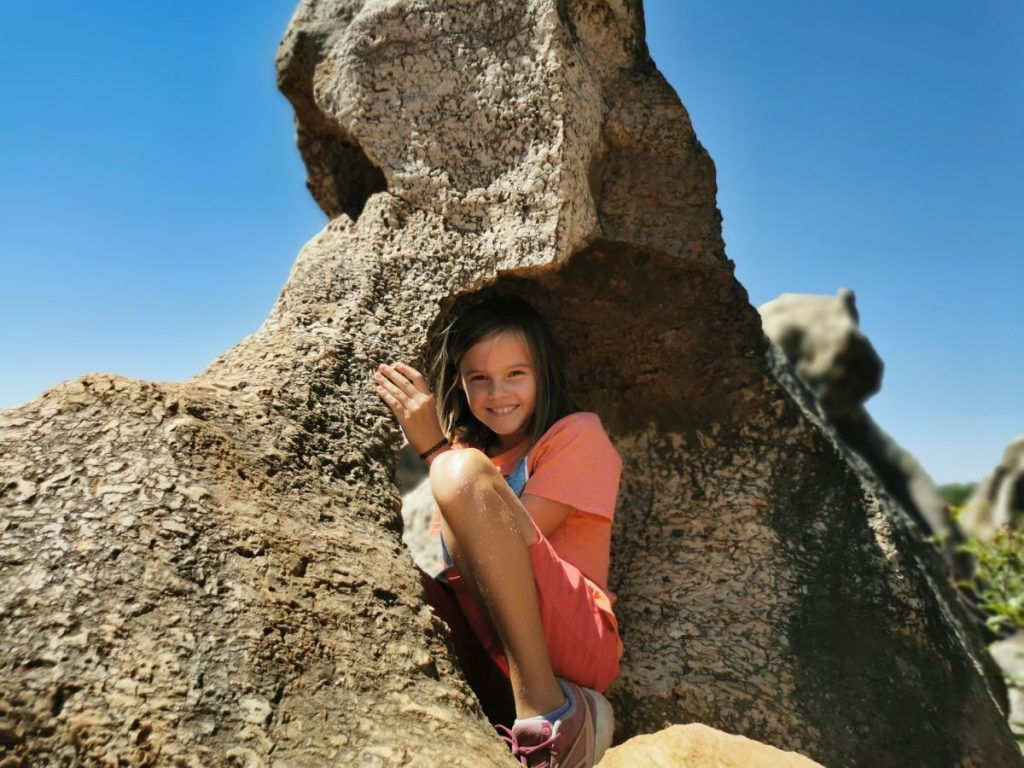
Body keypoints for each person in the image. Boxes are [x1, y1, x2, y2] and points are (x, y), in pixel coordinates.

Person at [373, 295, 622, 768]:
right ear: (460, 384)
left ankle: (553, 714)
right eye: (479, 379)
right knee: (390, 583)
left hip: (574, 639)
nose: (497, 393)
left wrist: (435, 451)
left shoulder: (576, 435)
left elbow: (513, 544)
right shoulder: (467, 455)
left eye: (515, 374)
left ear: (542, 373)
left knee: (460, 473)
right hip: (492, 649)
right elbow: (463, 568)